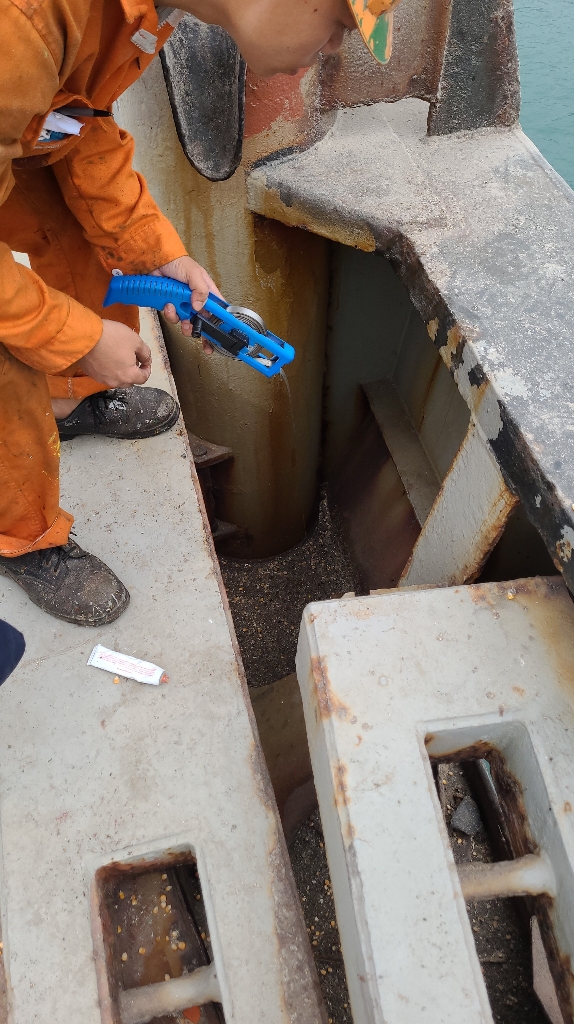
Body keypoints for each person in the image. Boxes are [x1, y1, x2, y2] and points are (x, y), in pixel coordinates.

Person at [0, 0, 398, 627]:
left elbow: (81, 124)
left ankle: (68, 399)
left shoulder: (149, 13)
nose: (332, 50)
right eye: (340, 26)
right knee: (10, 344)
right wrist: (76, 336)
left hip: (17, 137)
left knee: (75, 238)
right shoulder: (24, 22)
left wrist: (157, 254)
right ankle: (22, 538)